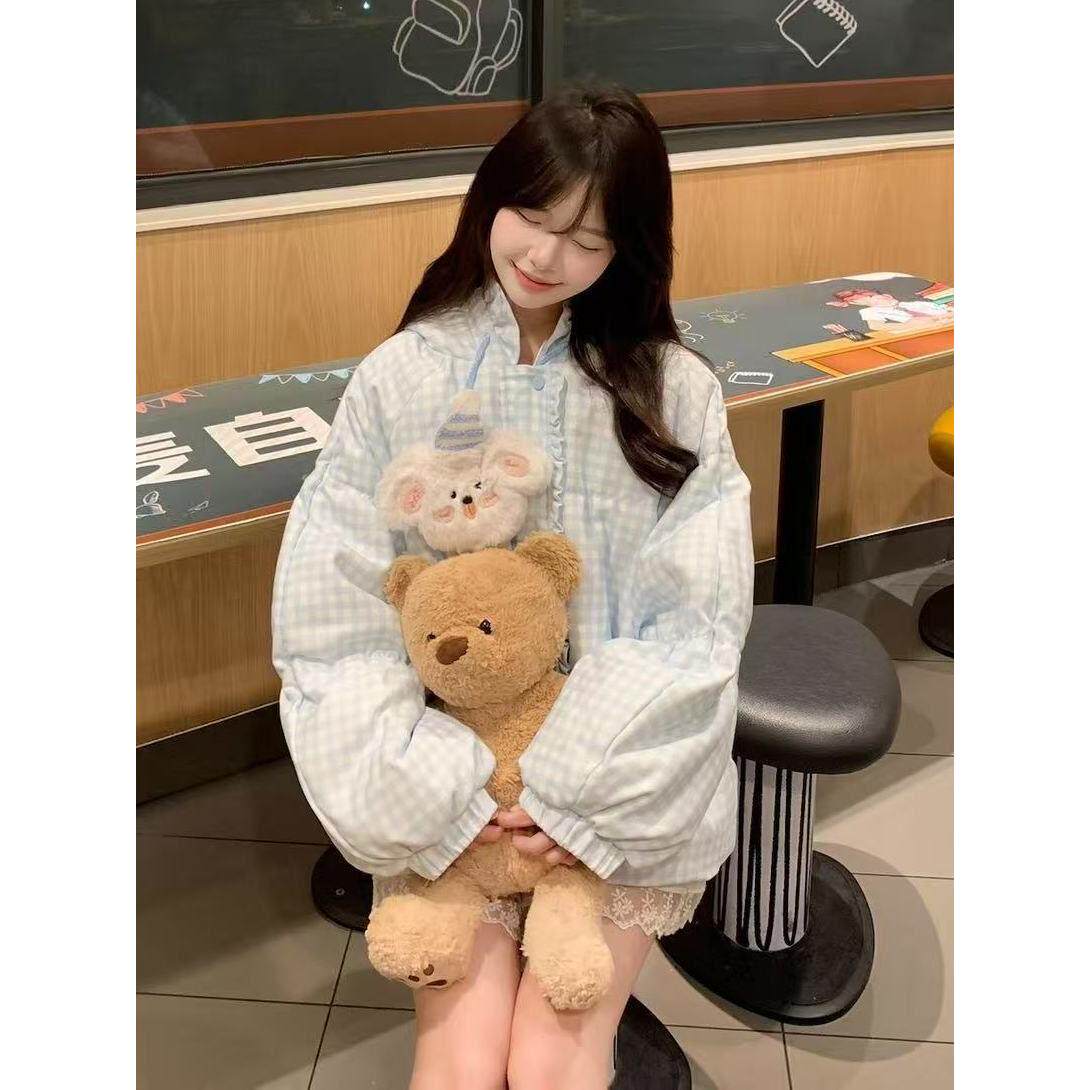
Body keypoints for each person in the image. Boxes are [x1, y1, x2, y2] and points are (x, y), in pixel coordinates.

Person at [272, 80, 754, 1090]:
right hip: (453, 794)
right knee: (458, 1064)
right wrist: (444, 791)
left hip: (621, 798)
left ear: (630, 248)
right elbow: (335, 621)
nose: (544, 256)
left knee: (547, 1064)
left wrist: (574, 796)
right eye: (531, 215)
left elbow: (698, 626)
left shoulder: (674, 393)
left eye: (587, 239)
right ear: (492, 197)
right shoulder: (402, 377)